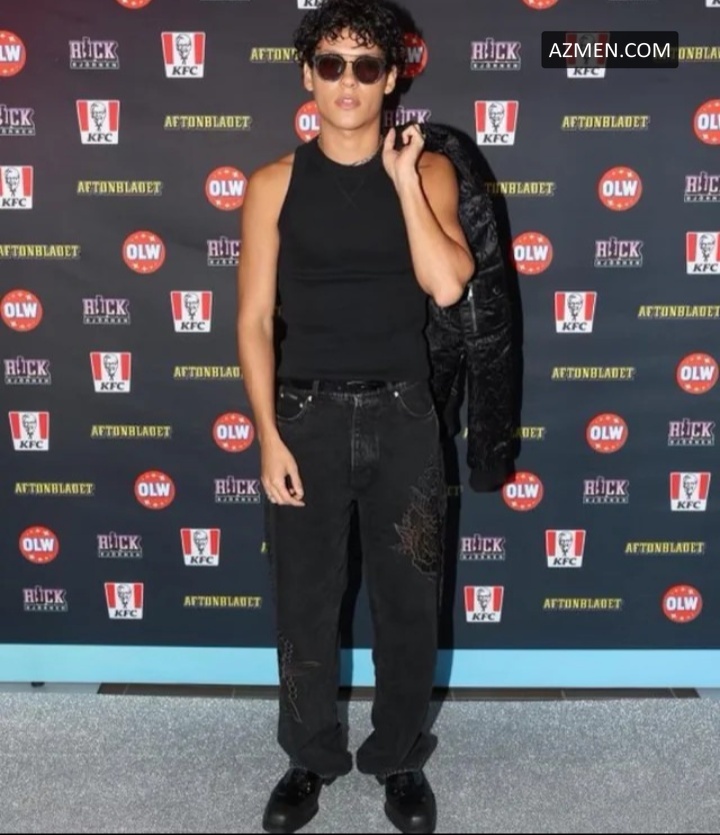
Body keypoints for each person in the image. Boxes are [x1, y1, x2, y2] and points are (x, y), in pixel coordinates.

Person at [236, 1, 475, 832]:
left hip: (404, 415)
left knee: (409, 603)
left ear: (392, 78)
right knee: (305, 604)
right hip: (304, 417)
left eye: (366, 66)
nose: (348, 81)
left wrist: (403, 180)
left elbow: (446, 283)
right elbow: (253, 320)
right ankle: (309, 755)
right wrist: (268, 435)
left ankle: (399, 756)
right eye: (332, 64)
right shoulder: (272, 184)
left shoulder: (429, 172)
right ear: (308, 75)